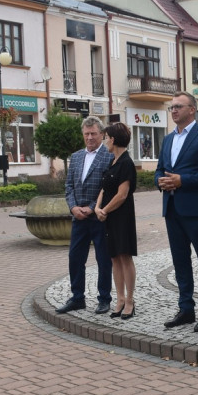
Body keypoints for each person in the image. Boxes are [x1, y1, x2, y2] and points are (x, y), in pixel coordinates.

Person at [156, 91, 198, 332]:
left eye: (178, 107)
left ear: (192, 109)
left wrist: (183, 180)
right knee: (180, 261)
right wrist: (158, 181)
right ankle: (186, 309)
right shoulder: (168, 139)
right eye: (172, 107)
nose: (173, 110)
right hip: (172, 208)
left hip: (196, 209)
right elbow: (161, 168)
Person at [57, 116, 113, 315]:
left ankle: (104, 298)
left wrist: (91, 207)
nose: (89, 138)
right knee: (75, 258)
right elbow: (69, 186)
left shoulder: (108, 156)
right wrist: (73, 207)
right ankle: (77, 298)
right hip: (78, 217)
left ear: (102, 134)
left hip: (98, 217)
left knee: (103, 259)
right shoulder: (77, 156)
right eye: (86, 134)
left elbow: (108, 188)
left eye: (93, 134)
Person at [95, 122, 137, 320]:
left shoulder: (126, 163)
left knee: (125, 257)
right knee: (114, 258)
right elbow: (104, 188)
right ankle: (119, 299)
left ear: (113, 139)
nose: (104, 142)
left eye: (106, 138)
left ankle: (130, 300)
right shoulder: (112, 161)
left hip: (122, 217)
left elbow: (122, 195)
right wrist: (97, 207)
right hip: (108, 217)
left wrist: (104, 209)